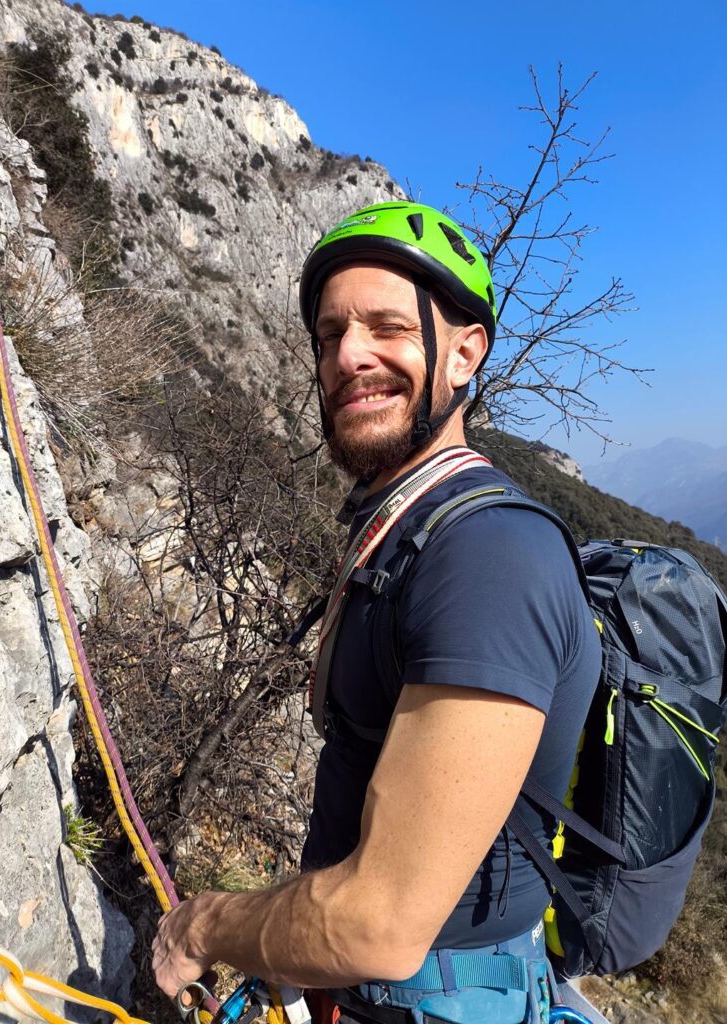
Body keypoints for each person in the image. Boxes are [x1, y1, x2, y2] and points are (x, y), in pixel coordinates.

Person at [152, 202, 601, 1024]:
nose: (348, 356)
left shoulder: (488, 560)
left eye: (386, 327)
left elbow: (379, 924)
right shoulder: (405, 529)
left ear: (464, 353)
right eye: (330, 336)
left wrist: (204, 923)